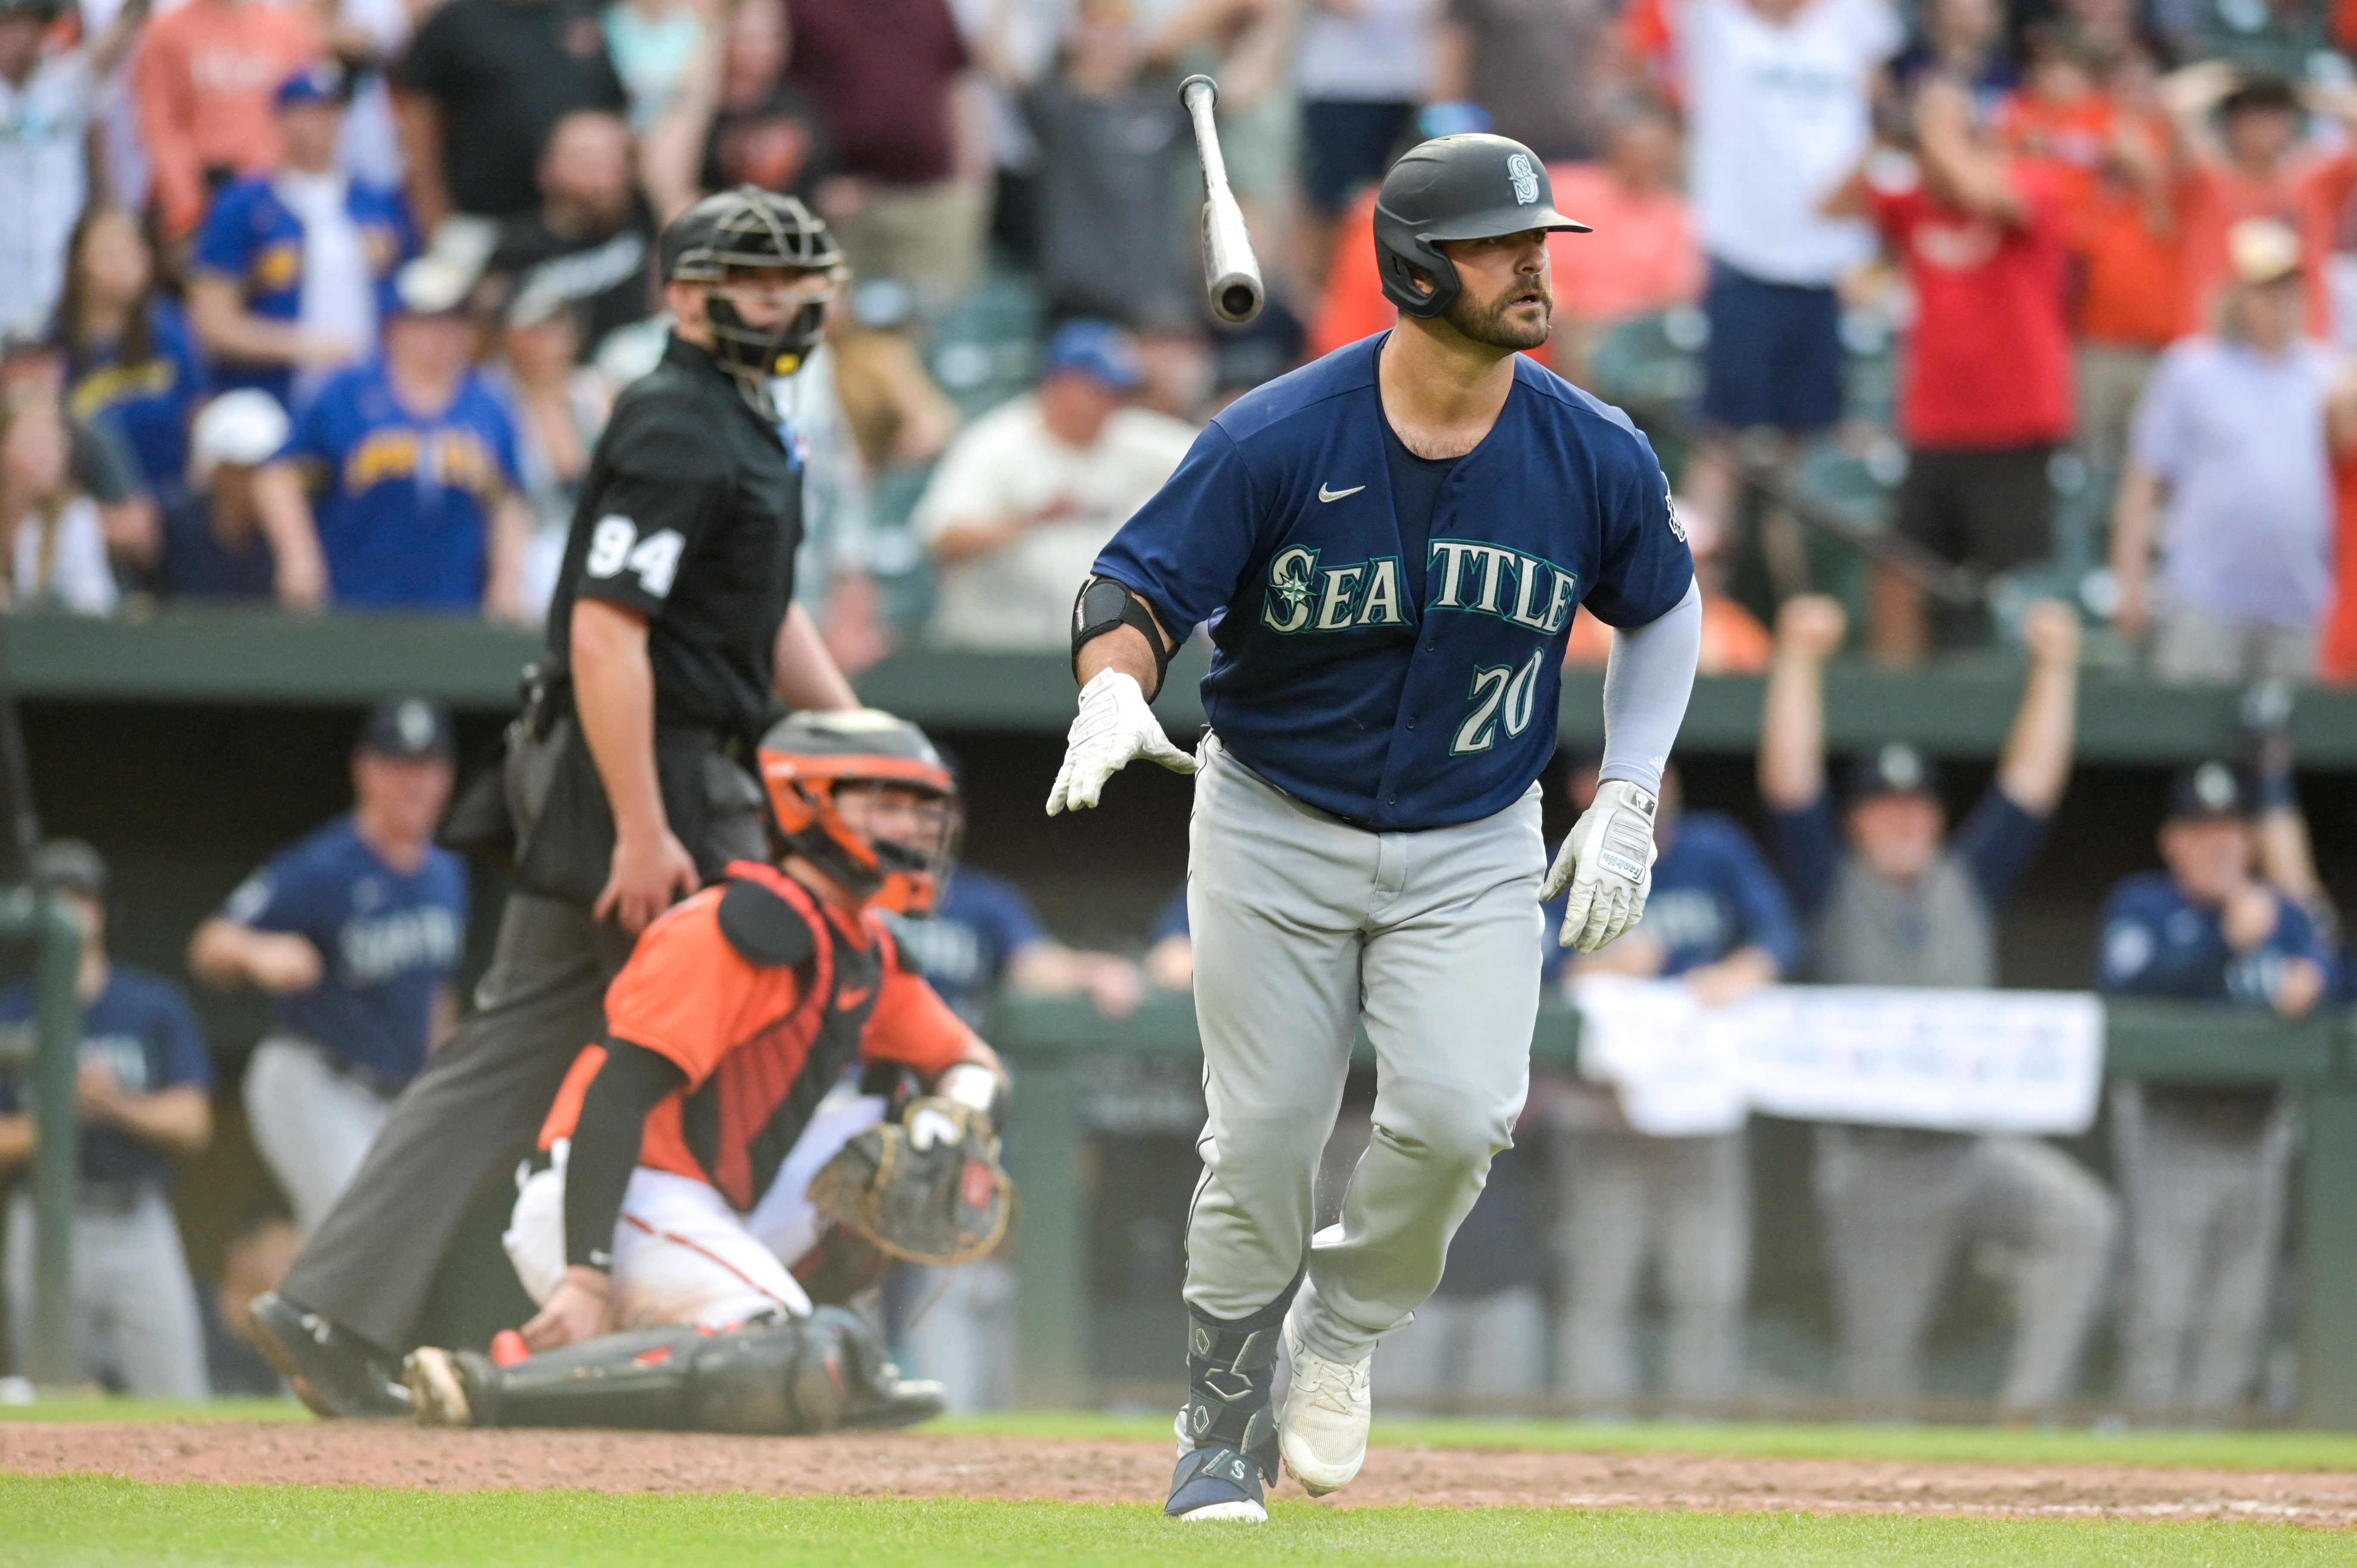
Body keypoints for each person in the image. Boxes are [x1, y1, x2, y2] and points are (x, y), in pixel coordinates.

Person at [1052, 135, 1700, 1521]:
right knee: (1266, 1140)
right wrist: (1110, 691)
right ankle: (1218, 1426)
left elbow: (1660, 601)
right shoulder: (1273, 436)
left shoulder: (1589, 448)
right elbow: (1131, 588)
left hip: (1472, 832)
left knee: (1461, 1119)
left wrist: (1630, 784)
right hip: (1274, 820)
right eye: (1499, 243)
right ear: (1414, 272)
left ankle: (1334, 1333)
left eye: (1541, 238)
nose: (1535, 263)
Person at [247, 187, 861, 1418]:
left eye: (799, 281)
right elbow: (603, 631)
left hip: (662, 758)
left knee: (516, 1042)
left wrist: (856, 736)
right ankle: (712, 1326)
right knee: (760, 1009)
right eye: (753, 280)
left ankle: (329, 1305)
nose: (782, 303)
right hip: (641, 767)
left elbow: (762, 609)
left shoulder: (748, 417)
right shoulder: (678, 419)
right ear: (684, 296)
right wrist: (640, 823)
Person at [402, 710, 984, 1434]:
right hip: (605, 1194)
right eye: (886, 804)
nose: (913, 828)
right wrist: (588, 1275)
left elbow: (969, 1062)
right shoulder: (731, 925)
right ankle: (496, 1383)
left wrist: (952, 1112)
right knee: (795, 1354)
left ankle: (806, 1345)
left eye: (919, 808)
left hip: (710, 1203)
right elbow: (613, 1098)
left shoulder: (864, 946)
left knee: (905, 1135)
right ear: (808, 801)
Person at [1757, 593, 2115, 1414]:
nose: (1904, 820)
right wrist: (1798, 659)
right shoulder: (1830, 883)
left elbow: (2030, 785)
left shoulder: (1966, 878)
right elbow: (1788, 784)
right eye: (1884, 807)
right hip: (1874, 1160)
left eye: (1916, 805)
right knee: (1877, 1373)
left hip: (1971, 1142)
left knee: (2081, 1218)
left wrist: (2054, 666)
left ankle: (2024, 1413)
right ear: (1856, 822)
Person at [1546, 756, 1801, 1411]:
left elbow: (1780, 932)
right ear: (1583, 792)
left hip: (1700, 1104)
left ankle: (1698, 1441)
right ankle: (1591, 1440)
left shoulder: (1714, 848)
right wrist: (1589, 972)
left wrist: (1744, 970)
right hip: (1604, 1109)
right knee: (1600, 1287)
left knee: (1709, 1286)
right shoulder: (1563, 860)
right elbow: (1528, 965)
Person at [2097, 761, 2330, 1415]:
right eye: (2201, 828)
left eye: (2230, 827)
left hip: (2258, 1128)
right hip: (2172, 1124)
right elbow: (2126, 984)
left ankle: (2212, 1461)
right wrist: (2221, 941)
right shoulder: (2144, 903)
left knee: (2238, 1313)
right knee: (2162, 1306)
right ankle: (2143, 1452)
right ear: (2173, 839)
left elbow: (2335, 974)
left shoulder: (2279, 913)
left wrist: (2312, 980)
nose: (2219, 842)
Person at [190, 698, 469, 1234]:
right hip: (318, 1081)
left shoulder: (447, 874)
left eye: (429, 767)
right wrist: (259, 952)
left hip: (395, 1100)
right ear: (364, 770)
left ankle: (293, 1310)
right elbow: (211, 942)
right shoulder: (325, 865)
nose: (416, 784)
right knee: (355, 1240)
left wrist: (441, 1092)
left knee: (380, 1258)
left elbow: (438, 994)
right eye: (399, 767)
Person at [1673, 0, 1900, 597]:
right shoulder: (1717, 26)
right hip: (1744, 259)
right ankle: (1696, 606)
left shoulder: (1852, 22)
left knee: (1809, 459)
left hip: (1826, 270)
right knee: (1721, 443)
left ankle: (1801, 615)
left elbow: (1876, 114)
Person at [1851, 73, 2075, 664]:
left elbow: (1991, 196)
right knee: (1898, 574)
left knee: (2020, 590)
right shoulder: (1916, 204)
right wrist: (1883, 141)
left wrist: (1939, 122)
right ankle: (1894, 722)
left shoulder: (2033, 185)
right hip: (1935, 428)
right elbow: (1831, 205)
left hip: (2013, 428)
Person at [0, 841, 213, 1398]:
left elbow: (194, 1121)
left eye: (84, 897)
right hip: (45, 1218)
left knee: (179, 1396)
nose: (74, 911)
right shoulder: (12, 1010)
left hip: (137, 1216)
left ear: (103, 909)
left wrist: (115, 1102)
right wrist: (58, 1112)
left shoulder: (152, 1005)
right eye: (59, 898)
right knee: (51, 1398)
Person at [2110, 217, 2355, 684]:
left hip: (2301, 604)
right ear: (2237, 295)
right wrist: (2131, 583)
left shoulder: (2326, 378)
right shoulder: (2192, 371)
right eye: (2265, 289)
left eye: (2289, 288)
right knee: (2187, 740)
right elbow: (2143, 484)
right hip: (2206, 600)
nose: (2280, 302)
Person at [251, 259, 534, 616]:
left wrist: (507, 579)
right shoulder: (346, 393)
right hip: (355, 605)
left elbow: (508, 500)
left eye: (455, 321)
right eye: (428, 322)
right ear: (395, 326)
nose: (443, 335)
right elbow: (280, 476)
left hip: (457, 608)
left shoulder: (487, 403)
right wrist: (299, 557)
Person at [915, 320, 1195, 651]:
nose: (1110, 404)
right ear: (1059, 385)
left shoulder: (1130, 437)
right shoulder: (994, 444)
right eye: (1098, 391)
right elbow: (942, 538)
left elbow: (1220, 458)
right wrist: (1033, 520)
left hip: (1090, 654)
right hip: (995, 653)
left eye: (1118, 393)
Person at [187, 65, 414, 415]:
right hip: (274, 392)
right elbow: (214, 322)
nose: (325, 125)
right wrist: (311, 347)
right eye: (311, 113)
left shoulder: (378, 203)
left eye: (333, 113)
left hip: (368, 397)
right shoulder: (243, 206)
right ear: (282, 121)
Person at [784, 0, 985, 306]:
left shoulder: (930, 6)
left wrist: (967, 179)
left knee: (935, 323)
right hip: (842, 202)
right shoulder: (805, 8)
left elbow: (955, 82)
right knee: (837, 325)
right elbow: (780, 94)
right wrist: (812, 187)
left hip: (928, 198)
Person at [396, 0, 629, 241]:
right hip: (486, 222)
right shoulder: (454, 23)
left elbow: (614, 113)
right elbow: (418, 131)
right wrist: (436, 223)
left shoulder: (583, 15)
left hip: (581, 223)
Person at [0, 0, 150, 335]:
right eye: (12, 24)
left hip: (59, 296)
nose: (23, 36)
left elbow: (120, 35)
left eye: (33, 24)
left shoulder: (62, 86)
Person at [131, 0, 322, 243]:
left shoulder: (289, 31)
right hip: (198, 203)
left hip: (273, 202)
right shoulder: (167, 32)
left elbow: (307, 119)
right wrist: (187, 199)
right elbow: (159, 126)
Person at [478, 109, 660, 362]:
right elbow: (484, 335)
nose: (601, 174)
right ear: (546, 169)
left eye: (614, 159)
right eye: (586, 159)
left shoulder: (646, 224)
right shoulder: (514, 246)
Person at [57, 206, 206, 505]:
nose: (124, 264)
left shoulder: (169, 331)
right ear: (78, 262)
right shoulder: (50, 342)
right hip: (89, 509)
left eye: (133, 250)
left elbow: (199, 413)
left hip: (171, 501)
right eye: (110, 253)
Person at [158, 389, 287, 600]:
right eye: (245, 471)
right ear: (217, 473)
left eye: (269, 469)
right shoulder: (171, 526)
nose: (261, 483)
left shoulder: (300, 536)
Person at [0, 396, 118, 614]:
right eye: (37, 442)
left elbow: (95, 611)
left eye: (58, 441)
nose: (52, 454)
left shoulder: (74, 519)